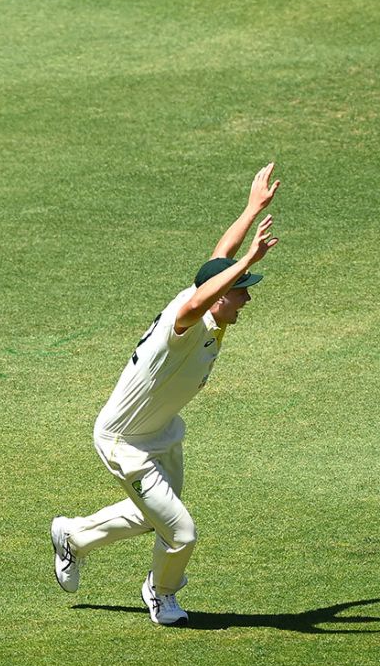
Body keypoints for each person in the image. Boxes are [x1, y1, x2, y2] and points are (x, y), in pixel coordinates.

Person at [50, 164, 282, 625]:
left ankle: (73, 536)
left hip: (162, 432)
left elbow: (217, 259)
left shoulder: (208, 307)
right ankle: (161, 593)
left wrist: (250, 210)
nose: (247, 300)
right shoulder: (185, 324)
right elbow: (204, 292)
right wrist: (248, 262)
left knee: (155, 516)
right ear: (219, 297)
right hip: (124, 441)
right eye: (241, 293)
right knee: (181, 533)